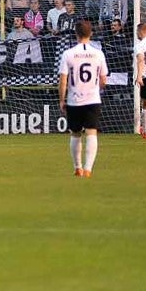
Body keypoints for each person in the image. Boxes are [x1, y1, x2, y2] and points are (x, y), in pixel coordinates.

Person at [58, 20, 108, 178]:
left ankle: (77, 167)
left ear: (76, 34)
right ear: (91, 33)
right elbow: (104, 80)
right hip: (93, 99)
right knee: (91, 132)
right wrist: (96, 89)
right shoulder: (98, 53)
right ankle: (88, 169)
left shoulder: (68, 53)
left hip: (74, 99)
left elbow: (63, 80)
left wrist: (62, 99)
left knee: (75, 133)